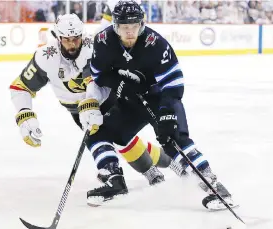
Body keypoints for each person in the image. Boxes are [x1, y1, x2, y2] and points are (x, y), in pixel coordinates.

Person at [78, 1, 237, 210]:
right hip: (131, 102)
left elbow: (173, 83)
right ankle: (114, 181)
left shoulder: (155, 43)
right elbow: (98, 78)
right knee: (99, 133)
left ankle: (215, 188)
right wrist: (95, 100)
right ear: (115, 26)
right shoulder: (103, 41)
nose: (130, 32)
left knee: (174, 140)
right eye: (125, 27)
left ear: (141, 24)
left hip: (159, 99)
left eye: (134, 26)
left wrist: (167, 114)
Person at [9, 14, 175, 191]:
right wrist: (25, 115)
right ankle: (160, 164)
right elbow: (20, 87)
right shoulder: (45, 57)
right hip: (76, 110)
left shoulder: (93, 46)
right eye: (67, 40)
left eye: (76, 38)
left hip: (107, 99)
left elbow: (94, 79)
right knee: (115, 139)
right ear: (57, 37)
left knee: (119, 138)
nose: (72, 44)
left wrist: (91, 102)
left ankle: (148, 169)